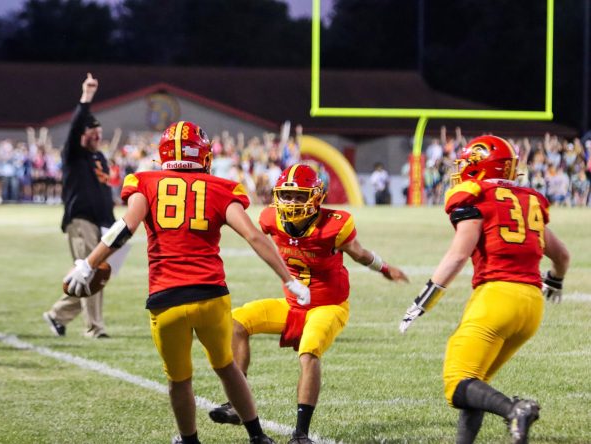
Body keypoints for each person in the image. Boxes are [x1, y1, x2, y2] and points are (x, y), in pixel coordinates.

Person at [62, 120, 312, 444]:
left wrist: (88, 264)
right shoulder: (223, 188)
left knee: (179, 380)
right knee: (226, 367)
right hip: (211, 296)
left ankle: (190, 441)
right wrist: (289, 280)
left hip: (166, 299)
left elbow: (124, 227)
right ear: (204, 155)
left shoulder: (146, 182)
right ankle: (257, 436)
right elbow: (253, 236)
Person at [208, 164, 409, 444]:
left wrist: (385, 268)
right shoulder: (270, 219)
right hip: (292, 304)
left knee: (309, 349)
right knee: (237, 321)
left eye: (300, 196)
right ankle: (236, 405)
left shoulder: (334, 226)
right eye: (287, 196)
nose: (292, 203)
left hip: (329, 305)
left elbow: (360, 254)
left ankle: (301, 434)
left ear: (316, 197)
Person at [399, 135, 570, 444]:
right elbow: (562, 255)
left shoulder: (476, 195)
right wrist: (555, 281)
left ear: (481, 166)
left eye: (468, 163)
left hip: (496, 299)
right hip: (531, 306)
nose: (463, 169)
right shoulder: (527, 198)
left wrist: (423, 301)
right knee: (475, 382)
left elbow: (458, 254)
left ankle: (515, 410)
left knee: (456, 384)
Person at [43, 73, 115, 338]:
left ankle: (57, 315)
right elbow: (75, 127)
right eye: (90, 131)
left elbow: (104, 191)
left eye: (98, 131)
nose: (96, 135)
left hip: (101, 223)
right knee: (91, 270)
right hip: (81, 219)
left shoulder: (99, 158)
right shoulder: (74, 155)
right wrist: (86, 97)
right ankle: (95, 328)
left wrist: (112, 224)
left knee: (98, 274)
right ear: (81, 134)